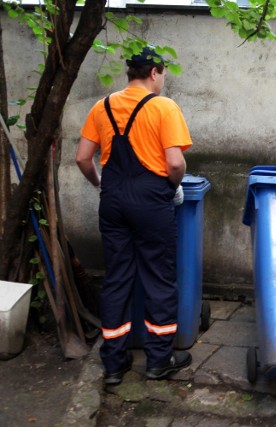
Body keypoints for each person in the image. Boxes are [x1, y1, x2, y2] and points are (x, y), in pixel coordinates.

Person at [76, 46, 193, 385]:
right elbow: (174, 163)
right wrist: (173, 186)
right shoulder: (163, 106)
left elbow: (83, 158)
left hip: (113, 200)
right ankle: (159, 360)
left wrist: (101, 184)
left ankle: (114, 363)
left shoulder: (102, 106)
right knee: (158, 277)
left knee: (117, 279)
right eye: (163, 74)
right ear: (154, 72)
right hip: (150, 202)